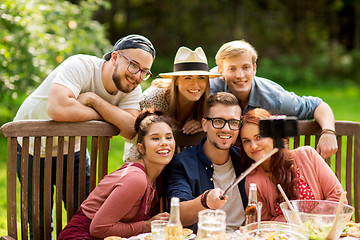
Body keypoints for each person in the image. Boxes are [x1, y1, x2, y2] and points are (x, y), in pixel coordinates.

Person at [14, 34, 156, 239]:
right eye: (134, 65)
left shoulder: (130, 88)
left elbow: (131, 129)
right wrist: (109, 116)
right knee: (40, 226)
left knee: (84, 218)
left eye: (145, 71)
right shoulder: (80, 65)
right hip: (33, 148)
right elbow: (58, 108)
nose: (137, 76)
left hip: (73, 151)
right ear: (114, 58)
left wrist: (93, 100)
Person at [210, 40, 337, 159]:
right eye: (232, 69)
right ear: (221, 71)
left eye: (245, 67)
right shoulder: (211, 86)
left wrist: (328, 132)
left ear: (254, 68)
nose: (240, 75)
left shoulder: (275, 98)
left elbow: (317, 105)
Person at [58, 109, 175, 239]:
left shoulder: (158, 177)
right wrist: (147, 226)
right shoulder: (136, 178)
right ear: (141, 148)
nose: (164, 142)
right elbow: (99, 228)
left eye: (169, 137)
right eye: (155, 138)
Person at [240, 108, 346, 222]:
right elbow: (264, 224)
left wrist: (305, 221)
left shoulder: (307, 155)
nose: (253, 146)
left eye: (259, 137)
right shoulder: (253, 181)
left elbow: (338, 198)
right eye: (246, 141)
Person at [165, 92, 250, 232]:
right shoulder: (182, 163)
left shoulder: (245, 158)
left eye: (233, 122)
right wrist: (205, 200)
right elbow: (177, 214)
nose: (226, 129)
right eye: (218, 121)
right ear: (204, 124)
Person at [124, 46, 220, 162]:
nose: (195, 85)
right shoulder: (155, 99)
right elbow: (139, 141)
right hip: (145, 160)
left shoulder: (208, 102)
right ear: (176, 81)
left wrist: (203, 124)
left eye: (201, 78)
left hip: (180, 164)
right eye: (188, 78)